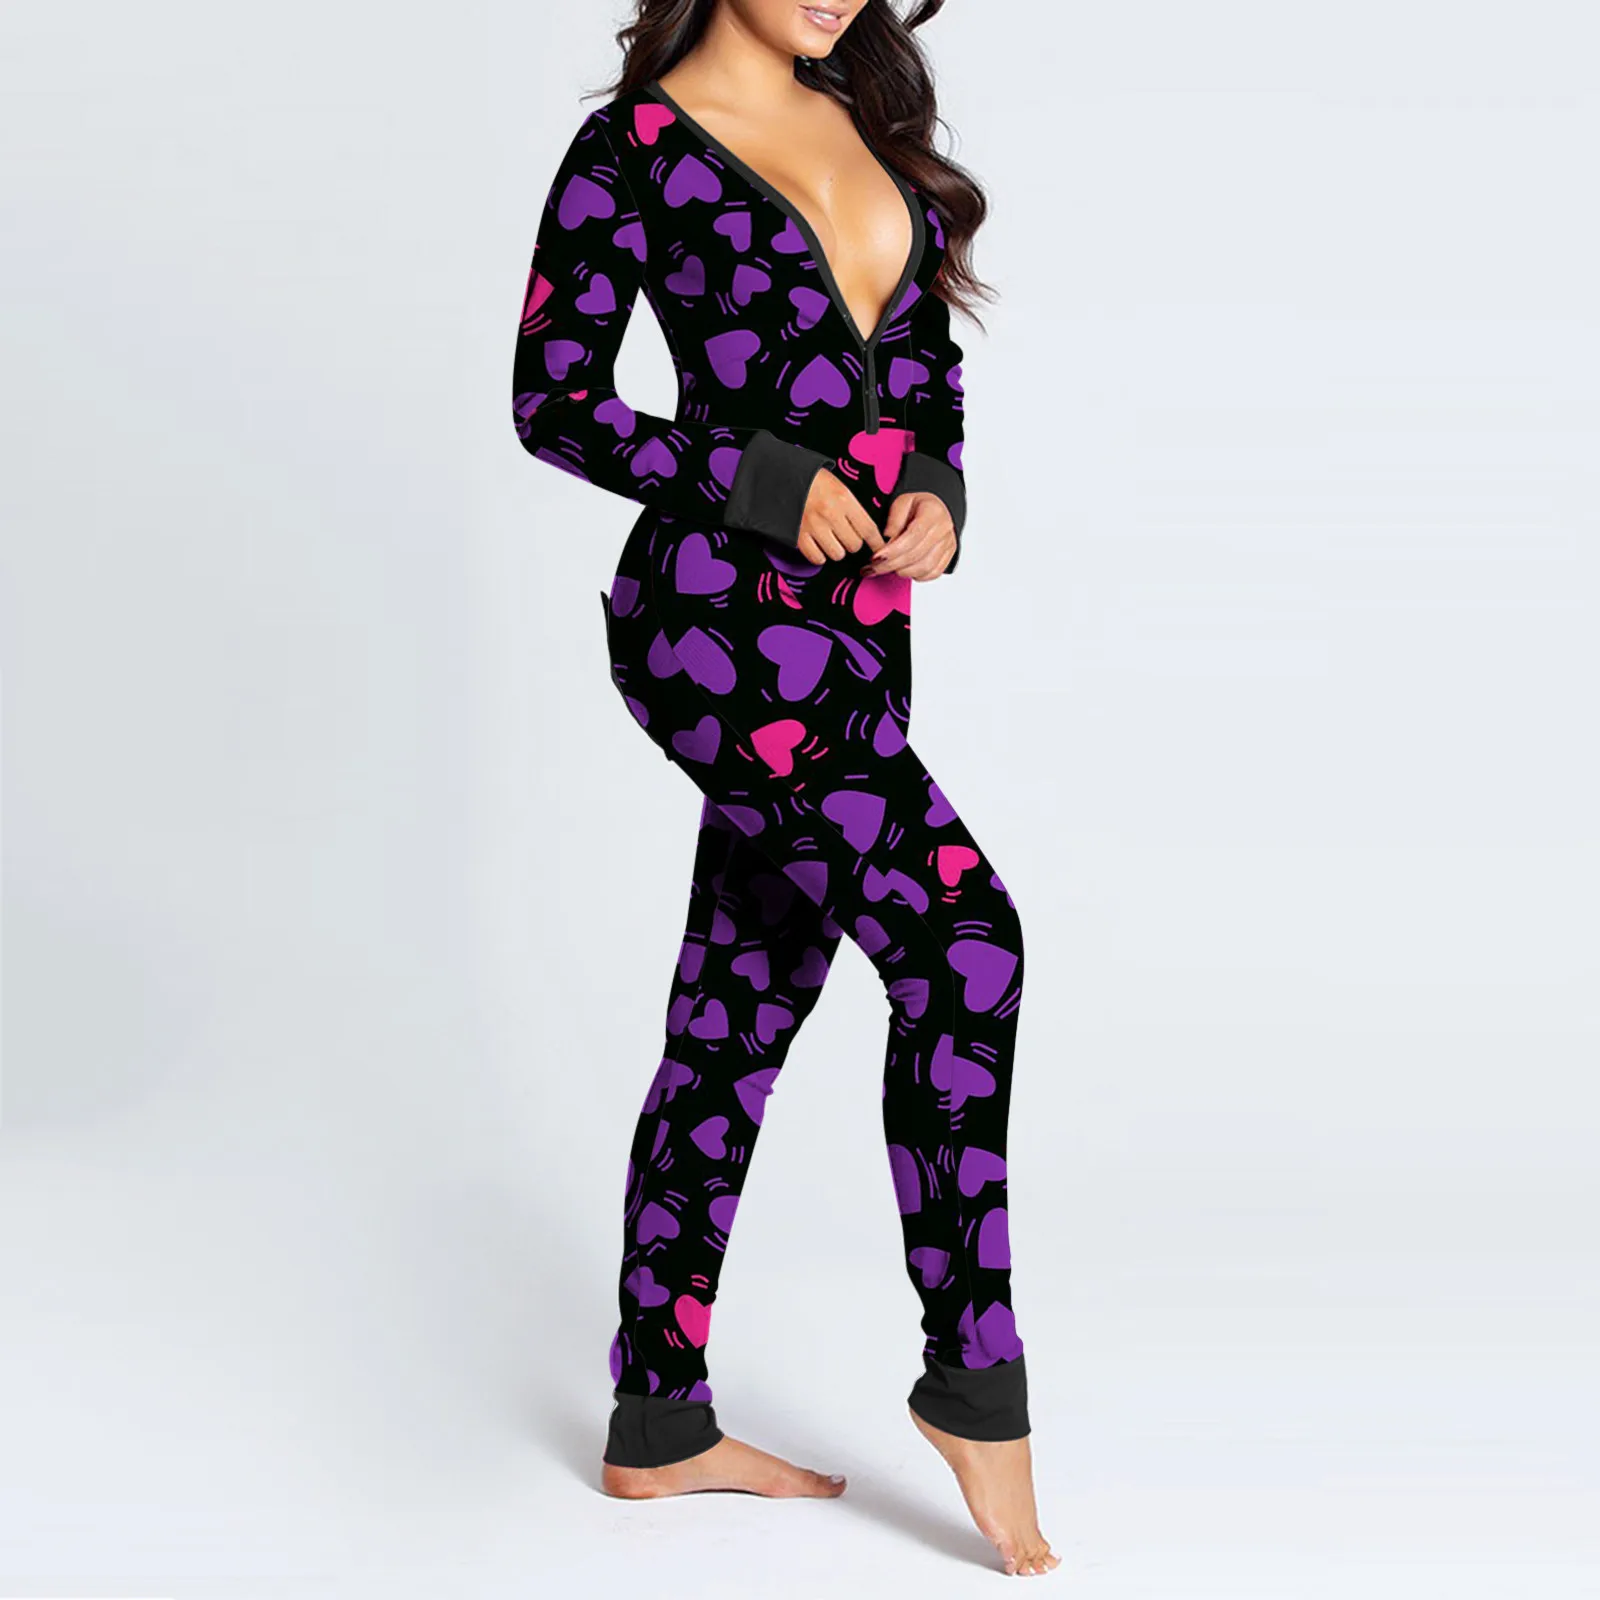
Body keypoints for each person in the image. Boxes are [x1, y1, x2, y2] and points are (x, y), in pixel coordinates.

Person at [511, 0, 1057, 1577]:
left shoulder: (863, 119)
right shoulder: (633, 150)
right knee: (967, 945)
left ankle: (658, 1419)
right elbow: (554, 401)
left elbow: (920, 370)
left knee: (738, 1008)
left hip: (859, 629)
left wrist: (937, 489)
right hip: (714, 624)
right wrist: (753, 478)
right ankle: (974, 1378)